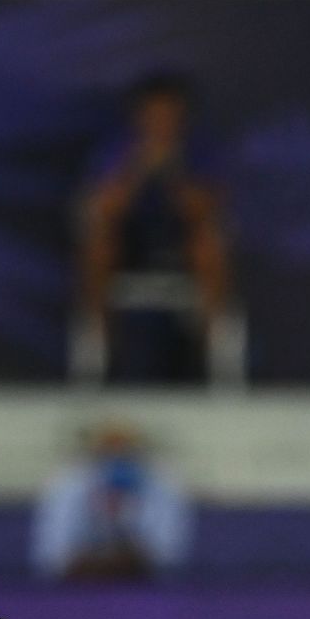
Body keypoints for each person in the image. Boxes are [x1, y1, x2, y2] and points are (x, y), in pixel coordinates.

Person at [74, 72, 240, 384]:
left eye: (169, 115)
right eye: (153, 115)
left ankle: (213, 349)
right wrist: (138, 168)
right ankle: (99, 343)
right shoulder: (116, 149)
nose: (161, 122)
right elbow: (104, 209)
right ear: (138, 116)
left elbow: (203, 210)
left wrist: (174, 172)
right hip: (130, 243)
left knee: (209, 243)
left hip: (181, 242)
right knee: (98, 242)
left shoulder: (200, 148)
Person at [30, 419, 193, 581]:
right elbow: (52, 554)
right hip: (78, 583)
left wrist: (130, 558)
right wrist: (95, 561)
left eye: (124, 452)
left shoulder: (159, 484)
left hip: (144, 584)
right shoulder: (70, 483)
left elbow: (168, 553)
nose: (116, 457)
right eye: (109, 451)